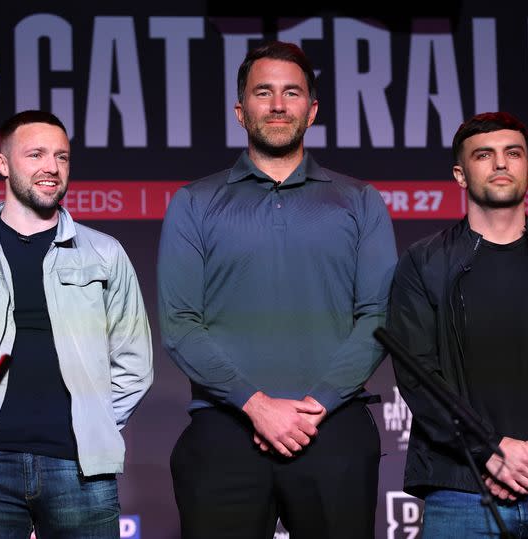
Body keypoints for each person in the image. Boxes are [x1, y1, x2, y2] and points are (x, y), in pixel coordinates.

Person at [157, 41, 397, 539]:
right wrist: (256, 405)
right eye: (263, 92)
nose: (278, 105)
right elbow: (180, 324)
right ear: (241, 110)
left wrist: (317, 405)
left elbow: (378, 316)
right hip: (226, 428)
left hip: (333, 428)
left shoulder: (359, 201)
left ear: (312, 110)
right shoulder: (195, 202)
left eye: (292, 93)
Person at [0, 110, 153, 538]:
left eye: (62, 156)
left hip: (80, 468)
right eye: (36, 154)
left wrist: (91, 420)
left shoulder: (105, 255)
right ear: (2, 164)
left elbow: (134, 362)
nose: (52, 168)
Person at [387, 111, 528, 537]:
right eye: (484, 155)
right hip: (460, 488)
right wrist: (489, 448)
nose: (501, 164)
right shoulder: (422, 263)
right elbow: (419, 375)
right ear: (460, 174)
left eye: (512, 153)